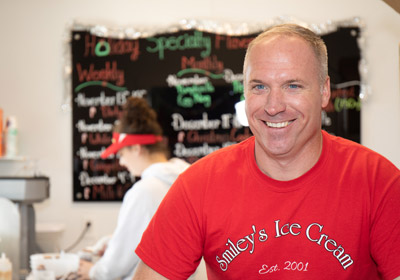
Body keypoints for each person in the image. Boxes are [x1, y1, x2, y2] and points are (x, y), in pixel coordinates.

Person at [132, 24, 400, 280]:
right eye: (259, 87)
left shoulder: (379, 182)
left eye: (292, 86)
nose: (273, 106)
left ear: (324, 91)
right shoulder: (197, 186)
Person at [77, 97, 190, 280]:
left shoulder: (144, 191)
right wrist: (114, 242)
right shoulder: (187, 179)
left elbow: (115, 267)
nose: (121, 162)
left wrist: (92, 271)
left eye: (122, 154)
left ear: (137, 149)